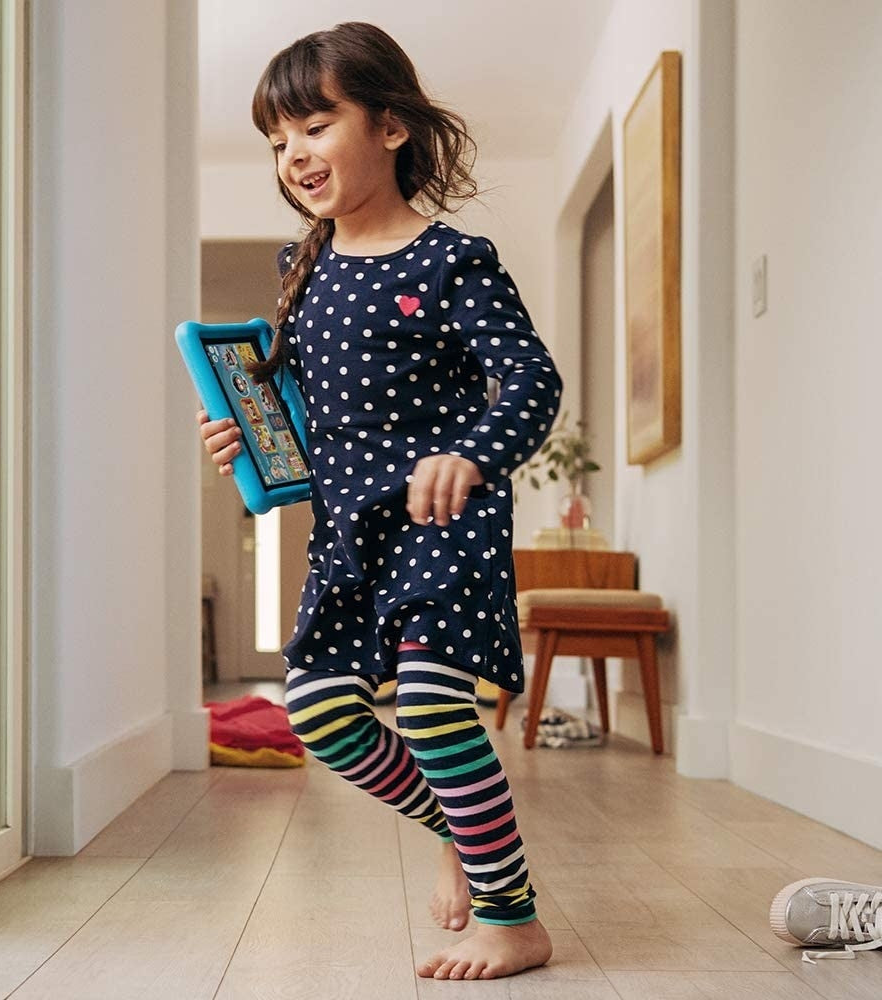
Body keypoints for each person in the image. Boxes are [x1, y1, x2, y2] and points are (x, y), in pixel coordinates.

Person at [197, 21, 563, 982]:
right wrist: (249, 441)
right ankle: (462, 827)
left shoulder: (453, 261)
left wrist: (470, 454)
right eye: (277, 141)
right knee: (320, 716)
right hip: (348, 534)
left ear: (392, 127)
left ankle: (513, 918)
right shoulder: (301, 267)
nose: (294, 155)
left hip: (443, 525)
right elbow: (304, 415)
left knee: (436, 707)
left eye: (315, 127)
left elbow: (532, 382)